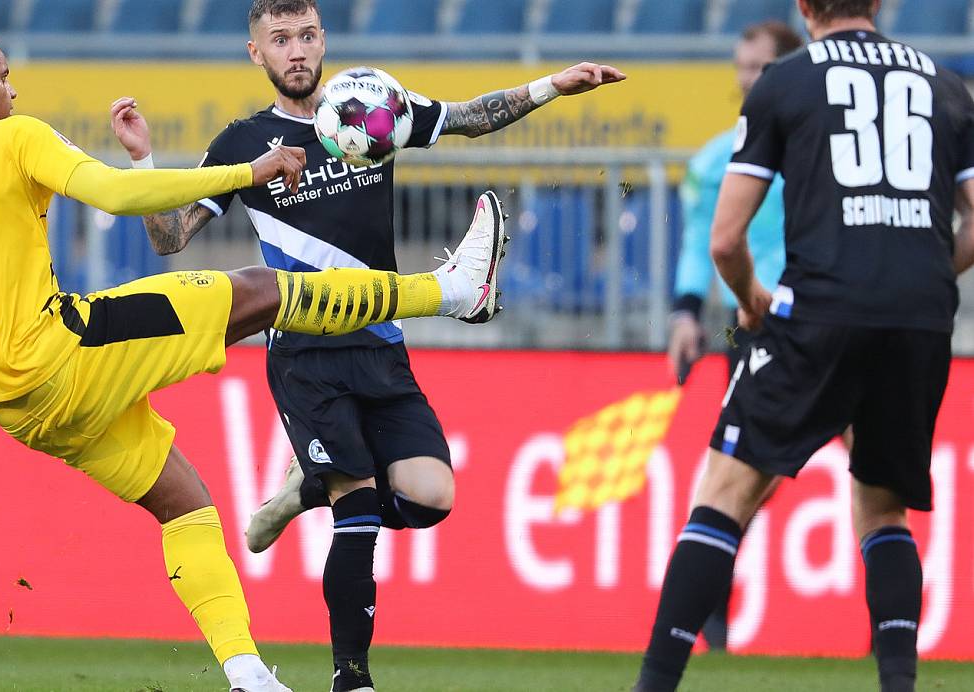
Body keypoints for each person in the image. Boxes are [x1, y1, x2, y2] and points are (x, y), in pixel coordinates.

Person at [0, 32, 509, 692]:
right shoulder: (11, 138)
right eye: (3, 78)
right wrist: (248, 170)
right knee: (258, 291)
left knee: (184, 504)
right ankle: (448, 291)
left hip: (16, 409)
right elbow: (113, 195)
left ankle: (246, 673)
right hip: (67, 353)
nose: (13, 93)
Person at [109, 2, 625, 690]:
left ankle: (303, 492)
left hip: (382, 344)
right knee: (358, 511)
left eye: (307, 36)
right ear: (255, 53)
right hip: (306, 352)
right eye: (281, 39)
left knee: (432, 496)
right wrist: (144, 159)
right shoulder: (244, 143)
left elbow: (469, 117)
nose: (297, 51)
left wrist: (551, 87)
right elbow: (171, 238)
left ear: (324, 41)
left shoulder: (370, 105)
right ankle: (351, 677)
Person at [635, 0, 974, 690]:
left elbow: (725, 239)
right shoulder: (945, 85)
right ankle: (899, 684)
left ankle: (654, 684)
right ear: (878, 3)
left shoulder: (785, 83)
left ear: (802, 6)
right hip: (918, 320)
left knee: (725, 494)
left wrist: (753, 298)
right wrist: (928, 270)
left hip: (814, 311)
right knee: (882, 508)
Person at [666, 20, 802, 652]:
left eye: (762, 68)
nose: (748, 79)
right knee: (732, 487)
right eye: (743, 66)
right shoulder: (713, 160)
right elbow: (699, 242)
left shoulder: (814, 152)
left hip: (820, 322)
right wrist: (686, 314)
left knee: (866, 477)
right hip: (751, 328)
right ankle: (712, 635)